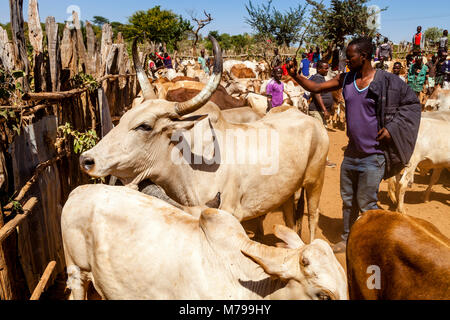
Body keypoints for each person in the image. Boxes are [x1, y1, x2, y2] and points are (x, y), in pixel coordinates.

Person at [287, 37, 421, 253]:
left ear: (364, 57)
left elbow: (412, 104)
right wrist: (295, 75)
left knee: (367, 203)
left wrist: (392, 128)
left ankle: (375, 243)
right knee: (349, 201)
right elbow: (317, 86)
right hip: (351, 154)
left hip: (374, 155)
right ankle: (348, 238)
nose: (346, 61)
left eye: (350, 57)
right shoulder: (347, 79)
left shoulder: (386, 81)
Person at [308, 60, 337, 168]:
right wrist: (325, 109)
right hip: (317, 111)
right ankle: (323, 159)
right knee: (321, 136)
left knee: (320, 135)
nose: (327, 70)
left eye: (327, 68)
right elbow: (317, 94)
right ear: (319, 69)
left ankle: (319, 158)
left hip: (319, 111)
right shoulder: (317, 78)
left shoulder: (321, 78)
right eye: (325, 68)